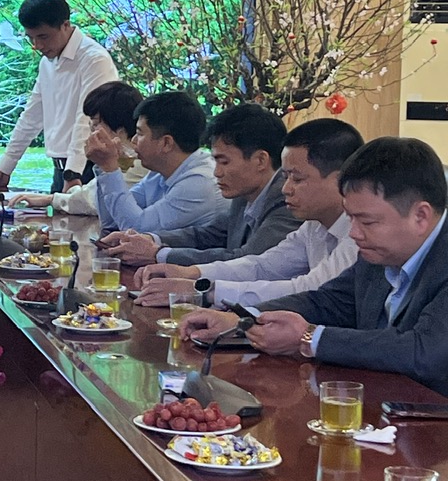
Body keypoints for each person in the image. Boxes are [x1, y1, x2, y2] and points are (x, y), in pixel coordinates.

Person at [181, 137, 448, 396]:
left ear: (420, 216)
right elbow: (329, 301)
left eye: (367, 222)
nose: (354, 233)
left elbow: (424, 352)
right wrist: (243, 320)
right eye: (351, 218)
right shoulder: (381, 251)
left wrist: (311, 337)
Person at [135, 118, 363, 308]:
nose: (286, 189)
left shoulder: (359, 234)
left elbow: (308, 289)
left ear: (341, 180)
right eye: (286, 177)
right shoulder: (313, 224)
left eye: (298, 179)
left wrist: (204, 290)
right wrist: (193, 273)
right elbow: (262, 266)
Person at [100, 103, 296, 266]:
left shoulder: (287, 200)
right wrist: (151, 239)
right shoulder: (245, 192)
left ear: (260, 160)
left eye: (224, 162)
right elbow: (206, 235)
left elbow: (247, 261)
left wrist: (159, 254)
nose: (217, 172)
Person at [0, 0, 119, 194]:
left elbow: (86, 120)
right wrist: (5, 167)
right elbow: (31, 116)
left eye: (43, 36)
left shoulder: (94, 59)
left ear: (65, 25)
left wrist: (73, 174)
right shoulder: (47, 63)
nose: (37, 46)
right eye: (31, 38)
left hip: (89, 168)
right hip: (61, 170)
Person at [84, 90, 227, 234]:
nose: (133, 140)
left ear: (166, 143)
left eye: (139, 134)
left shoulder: (199, 182)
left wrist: (110, 168)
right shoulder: (159, 172)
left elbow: (136, 229)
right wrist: (104, 166)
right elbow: (111, 221)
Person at [11, 80, 146, 216]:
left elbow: (94, 203)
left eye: (95, 125)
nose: (92, 132)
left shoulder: (138, 164)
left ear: (120, 132)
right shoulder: (122, 159)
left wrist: (51, 199)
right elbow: (90, 192)